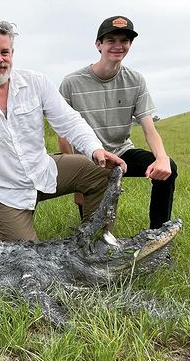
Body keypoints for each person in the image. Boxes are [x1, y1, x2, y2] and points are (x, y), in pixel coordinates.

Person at [0, 20, 126, 244]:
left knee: (104, 171)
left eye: (5, 52)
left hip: (43, 170)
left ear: (12, 53)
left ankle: (95, 242)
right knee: (28, 256)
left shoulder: (35, 82)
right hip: (4, 191)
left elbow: (69, 121)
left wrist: (95, 149)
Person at [58, 16, 177, 229]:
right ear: (98, 45)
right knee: (95, 229)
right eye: (111, 40)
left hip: (122, 153)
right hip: (89, 159)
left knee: (169, 169)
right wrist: (77, 184)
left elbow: (149, 128)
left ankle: (157, 233)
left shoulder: (135, 80)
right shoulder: (71, 83)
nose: (118, 46)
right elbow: (63, 133)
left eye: (124, 41)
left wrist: (161, 158)